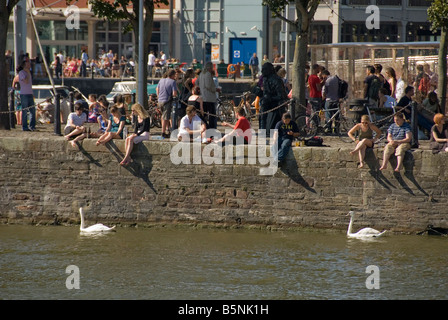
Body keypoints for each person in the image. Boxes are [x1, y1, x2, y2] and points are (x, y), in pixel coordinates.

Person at [254, 62, 287, 137]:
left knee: (267, 106)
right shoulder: (265, 79)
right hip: (267, 102)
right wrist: (258, 90)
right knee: (262, 110)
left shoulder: (277, 80)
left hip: (276, 103)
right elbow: (261, 90)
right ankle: (262, 130)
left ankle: (277, 130)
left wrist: (270, 98)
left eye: (264, 69)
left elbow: (281, 96)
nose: (262, 71)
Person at [157, 69, 178, 138]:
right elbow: (174, 93)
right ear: (172, 75)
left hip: (160, 100)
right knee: (166, 117)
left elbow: (157, 89)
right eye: (174, 75)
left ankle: (167, 129)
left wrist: (158, 96)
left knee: (162, 116)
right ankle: (163, 132)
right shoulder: (173, 82)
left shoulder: (161, 80)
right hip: (167, 101)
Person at [17, 60, 36, 131]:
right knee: (24, 111)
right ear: (24, 65)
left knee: (32, 111)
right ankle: (24, 127)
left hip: (30, 93)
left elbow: (29, 84)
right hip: (24, 94)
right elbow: (26, 81)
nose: (29, 64)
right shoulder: (22, 73)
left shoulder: (29, 73)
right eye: (28, 63)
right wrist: (27, 74)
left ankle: (32, 126)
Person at [198, 62, 217, 129]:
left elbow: (196, 82)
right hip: (209, 98)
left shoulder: (201, 74)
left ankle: (204, 127)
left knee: (203, 114)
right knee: (212, 115)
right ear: (210, 68)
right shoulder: (208, 74)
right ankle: (212, 128)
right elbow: (208, 86)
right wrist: (216, 89)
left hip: (203, 97)